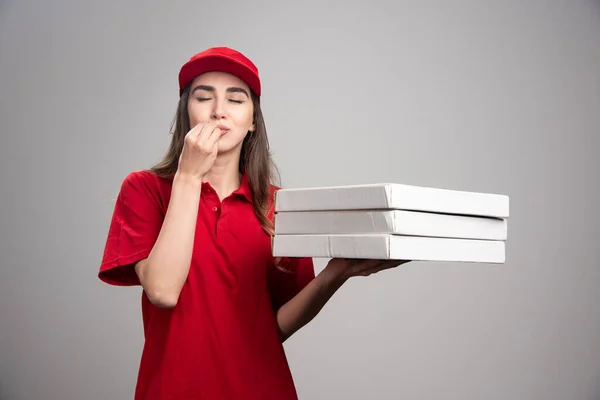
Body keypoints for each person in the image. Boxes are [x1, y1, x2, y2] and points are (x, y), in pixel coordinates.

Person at [98, 46, 408, 400]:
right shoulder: (144, 189)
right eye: (203, 97)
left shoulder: (278, 207)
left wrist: (336, 272)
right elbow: (163, 291)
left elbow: (274, 325)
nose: (218, 111)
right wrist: (187, 176)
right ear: (186, 114)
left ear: (253, 123)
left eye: (235, 99)